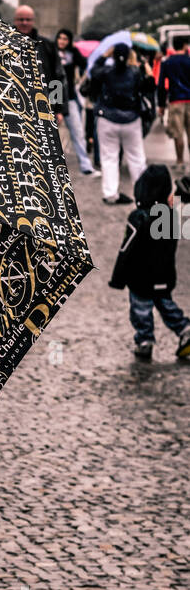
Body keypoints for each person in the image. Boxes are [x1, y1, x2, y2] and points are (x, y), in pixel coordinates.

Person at [108, 161, 190, 363]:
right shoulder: (171, 215)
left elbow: (127, 249)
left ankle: (145, 340)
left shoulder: (138, 217)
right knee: (166, 305)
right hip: (164, 274)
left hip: (140, 276)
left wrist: (118, 278)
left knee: (141, 309)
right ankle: (185, 329)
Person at [82, 41, 152, 205]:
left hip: (107, 118)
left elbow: (92, 70)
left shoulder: (106, 72)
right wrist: (144, 63)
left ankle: (110, 193)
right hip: (131, 119)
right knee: (137, 157)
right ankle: (141, 194)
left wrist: (104, 56)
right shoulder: (135, 72)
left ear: (112, 56)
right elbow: (149, 85)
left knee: (109, 158)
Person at [13, 5, 67, 126]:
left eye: (28, 19)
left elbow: (56, 78)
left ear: (33, 21)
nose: (24, 22)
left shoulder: (47, 46)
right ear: (15, 20)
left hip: (42, 107)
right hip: (12, 107)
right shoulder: (3, 45)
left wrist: (57, 109)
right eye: (21, 19)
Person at [54, 29, 97, 175]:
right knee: (53, 131)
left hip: (70, 95)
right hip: (56, 90)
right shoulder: (52, 52)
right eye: (60, 38)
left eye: (65, 39)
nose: (62, 41)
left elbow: (86, 64)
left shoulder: (73, 53)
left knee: (77, 131)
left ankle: (85, 165)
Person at [156, 34, 190, 170]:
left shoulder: (167, 62)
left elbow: (161, 85)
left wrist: (161, 105)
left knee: (178, 133)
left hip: (176, 100)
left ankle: (180, 161)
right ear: (184, 46)